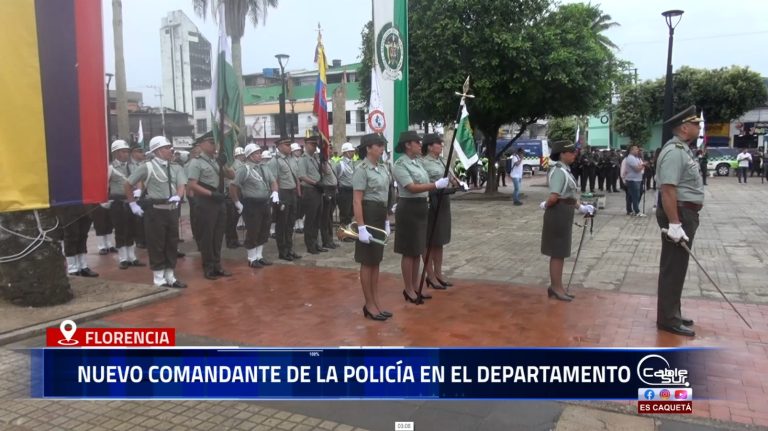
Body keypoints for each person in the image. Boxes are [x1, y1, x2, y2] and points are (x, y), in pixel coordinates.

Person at [655, 106, 705, 337]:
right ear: (685, 128)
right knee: (673, 268)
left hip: (685, 213)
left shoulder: (683, 149)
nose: (699, 126)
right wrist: (674, 223)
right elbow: (667, 189)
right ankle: (668, 319)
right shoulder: (675, 151)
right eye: (695, 123)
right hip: (679, 213)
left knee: (678, 267)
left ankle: (672, 311)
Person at [392, 131, 450, 304]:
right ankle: (408, 288)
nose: (420, 144)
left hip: (421, 207)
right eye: (417, 142)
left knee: (417, 250)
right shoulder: (400, 164)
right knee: (408, 251)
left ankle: (416, 286)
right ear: (408, 145)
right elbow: (411, 187)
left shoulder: (417, 162)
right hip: (408, 207)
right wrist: (435, 185)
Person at [124, 136, 187, 288]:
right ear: (158, 150)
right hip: (155, 211)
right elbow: (128, 184)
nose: (170, 150)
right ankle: (159, 278)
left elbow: (181, 185)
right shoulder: (147, 167)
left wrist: (178, 197)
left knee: (172, 243)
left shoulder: (176, 167)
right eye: (166, 148)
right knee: (157, 244)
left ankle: (170, 276)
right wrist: (133, 204)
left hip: (171, 210)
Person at [539, 140, 594, 302]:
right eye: (571, 152)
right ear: (562, 154)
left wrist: (582, 207)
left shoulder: (566, 170)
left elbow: (568, 196)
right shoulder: (558, 171)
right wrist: (546, 205)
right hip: (557, 213)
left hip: (564, 212)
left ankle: (558, 287)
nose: (574, 155)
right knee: (557, 252)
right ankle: (556, 288)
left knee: (561, 252)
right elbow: (554, 196)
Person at [352, 134, 392, 320]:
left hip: (379, 214)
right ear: (368, 148)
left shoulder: (383, 168)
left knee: (376, 261)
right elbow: (357, 201)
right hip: (367, 215)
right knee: (367, 261)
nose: (382, 148)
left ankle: (375, 301)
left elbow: (384, 197)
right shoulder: (361, 169)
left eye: (382, 145)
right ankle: (369, 304)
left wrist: (386, 221)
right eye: (378, 145)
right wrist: (361, 227)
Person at [185, 131, 234, 280]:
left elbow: (232, 176)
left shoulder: (216, 161)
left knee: (218, 236)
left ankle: (217, 265)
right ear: (201, 145)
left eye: (215, 143)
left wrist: (224, 163)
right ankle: (208, 267)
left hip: (219, 201)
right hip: (206, 201)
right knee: (207, 236)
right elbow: (192, 185)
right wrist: (211, 194)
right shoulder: (196, 162)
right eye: (211, 143)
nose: (214, 146)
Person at [229, 145, 279, 268]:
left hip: (264, 203)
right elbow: (233, 186)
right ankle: (252, 258)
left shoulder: (264, 167)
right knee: (253, 230)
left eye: (259, 152)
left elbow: (273, 181)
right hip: (251, 204)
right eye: (256, 153)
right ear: (250, 156)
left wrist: (275, 192)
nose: (259, 155)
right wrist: (237, 202)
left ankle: (259, 256)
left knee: (264, 229)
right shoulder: (243, 169)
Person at [420, 134, 456, 290]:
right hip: (431, 201)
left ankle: (438, 273)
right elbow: (422, 182)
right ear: (429, 146)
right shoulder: (422, 162)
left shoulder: (442, 160)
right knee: (428, 240)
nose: (441, 145)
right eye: (438, 143)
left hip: (444, 201)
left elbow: (451, 177)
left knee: (439, 239)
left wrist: (458, 182)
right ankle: (430, 274)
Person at [107, 140, 144, 269]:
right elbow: (105, 184)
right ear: (116, 153)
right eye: (123, 151)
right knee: (120, 230)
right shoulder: (111, 168)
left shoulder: (133, 166)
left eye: (127, 151)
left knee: (132, 229)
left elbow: (138, 179)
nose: (126, 154)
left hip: (132, 201)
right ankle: (123, 258)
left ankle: (132, 257)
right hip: (118, 201)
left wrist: (139, 190)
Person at [270, 139, 302, 261]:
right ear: (279, 146)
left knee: (290, 223)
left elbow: (296, 177)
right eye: (287, 145)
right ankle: (282, 251)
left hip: (292, 192)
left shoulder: (291, 159)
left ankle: (289, 249)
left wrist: (298, 193)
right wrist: (276, 195)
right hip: (282, 193)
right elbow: (274, 179)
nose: (289, 147)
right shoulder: (275, 161)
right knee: (282, 224)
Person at [297, 136, 325, 254]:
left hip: (318, 190)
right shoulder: (303, 159)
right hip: (310, 190)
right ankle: (310, 245)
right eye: (312, 145)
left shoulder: (315, 158)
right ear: (306, 144)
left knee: (317, 219)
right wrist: (315, 183)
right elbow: (302, 176)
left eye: (315, 145)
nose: (314, 147)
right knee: (310, 219)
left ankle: (316, 242)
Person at [224, 146, 246, 249]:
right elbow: (232, 181)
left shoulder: (239, 165)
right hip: (233, 194)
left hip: (236, 193)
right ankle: (231, 241)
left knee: (233, 220)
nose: (243, 156)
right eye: (241, 155)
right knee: (231, 220)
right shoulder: (236, 166)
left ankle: (234, 240)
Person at [318, 155, 340, 250]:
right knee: (325, 218)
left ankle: (330, 239)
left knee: (330, 217)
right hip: (327, 190)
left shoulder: (330, 162)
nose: (329, 150)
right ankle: (326, 240)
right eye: (328, 148)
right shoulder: (321, 163)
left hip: (333, 190)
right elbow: (323, 174)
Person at [336, 142, 356, 226]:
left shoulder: (352, 163)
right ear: (345, 152)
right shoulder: (340, 164)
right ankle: (344, 234)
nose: (353, 153)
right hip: (344, 191)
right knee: (345, 214)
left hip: (352, 191)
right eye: (351, 151)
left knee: (351, 213)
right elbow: (335, 177)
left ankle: (349, 232)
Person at [624, 144, 645, 217]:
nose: (638, 150)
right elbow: (637, 169)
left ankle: (630, 210)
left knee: (631, 196)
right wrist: (643, 165)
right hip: (633, 180)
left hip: (637, 179)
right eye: (636, 149)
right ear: (631, 150)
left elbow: (639, 167)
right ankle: (637, 211)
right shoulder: (630, 158)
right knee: (635, 196)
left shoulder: (636, 158)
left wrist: (641, 166)